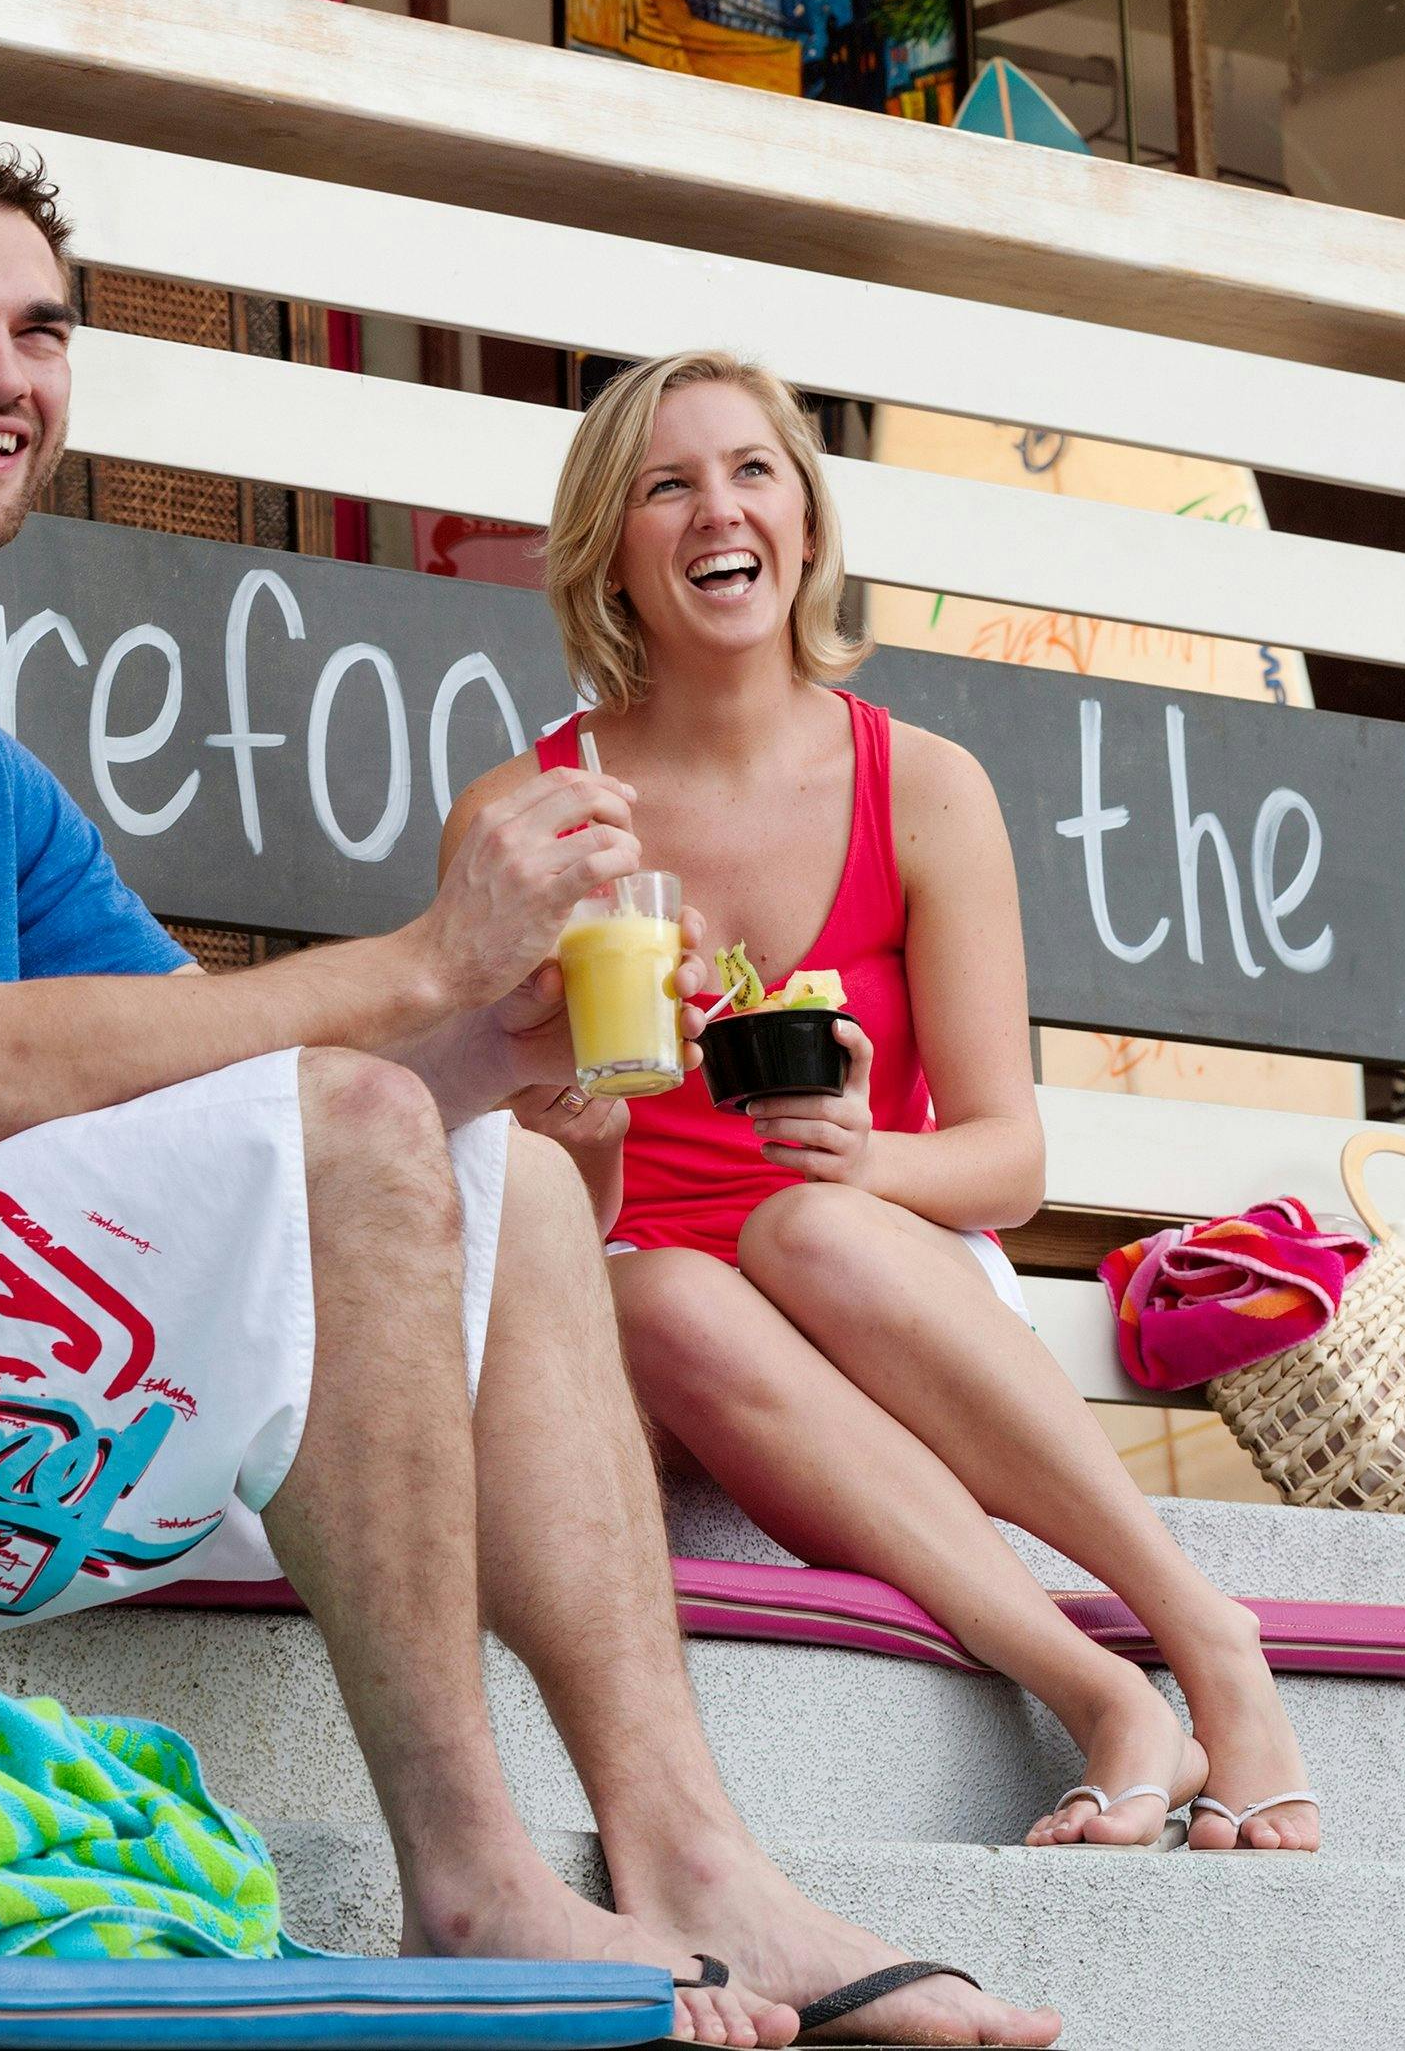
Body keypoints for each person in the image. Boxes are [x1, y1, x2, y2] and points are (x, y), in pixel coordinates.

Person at [0, 140, 1057, 2049]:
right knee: (369, 1119)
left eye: (36, 330)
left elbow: (243, 1088)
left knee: (485, 1159)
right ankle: (475, 1884)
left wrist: (513, 1056)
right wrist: (432, 963)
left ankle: (687, 1850)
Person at [449, 349, 1319, 1858]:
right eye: (668, 484)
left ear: (803, 517)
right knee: (659, 1295)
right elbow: (496, 1175)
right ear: (611, 547)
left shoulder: (924, 783)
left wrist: (866, 1154)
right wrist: (573, 1129)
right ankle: (1101, 1688)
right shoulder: (527, 816)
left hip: (877, 1261)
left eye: (752, 470)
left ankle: (1208, 1634)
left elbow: (1011, 1161)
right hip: (642, 1302)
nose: (718, 510)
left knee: (807, 1230)